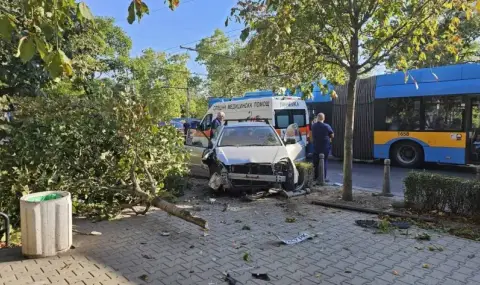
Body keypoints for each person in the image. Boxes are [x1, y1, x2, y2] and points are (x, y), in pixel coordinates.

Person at [311, 113, 334, 182]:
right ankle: (323, 178)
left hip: (316, 147)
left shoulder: (313, 126)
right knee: (324, 162)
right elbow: (332, 135)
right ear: (323, 118)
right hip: (325, 147)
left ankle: (315, 177)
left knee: (315, 163)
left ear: (317, 118)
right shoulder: (326, 126)